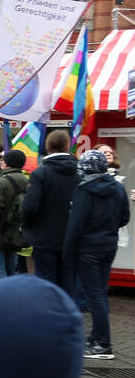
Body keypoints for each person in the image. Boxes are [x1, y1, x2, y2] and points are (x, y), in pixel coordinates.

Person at [64, 150, 131, 359]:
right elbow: (124, 217)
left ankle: (103, 344)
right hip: (108, 245)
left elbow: (76, 224)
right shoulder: (118, 187)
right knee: (100, 293)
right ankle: (96, 339)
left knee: (95, 296)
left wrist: (68, 250)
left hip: (88, 248)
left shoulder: (84, 190)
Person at [21, 129, 80, 289]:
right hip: (71, 236)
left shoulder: (41, 173)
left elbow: (30, 206)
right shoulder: (79, 173)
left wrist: (28, 227)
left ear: (48, 146)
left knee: (46, 283)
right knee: (67, 282)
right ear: (68, 146)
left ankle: (48, 313)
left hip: (44, 236)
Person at [0, 148, 30, 281]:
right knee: (12, 272)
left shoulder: (1, 182)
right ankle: (15, 299)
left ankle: (3, 300)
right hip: (16, 234)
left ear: (6, 163)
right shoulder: (28, 180)